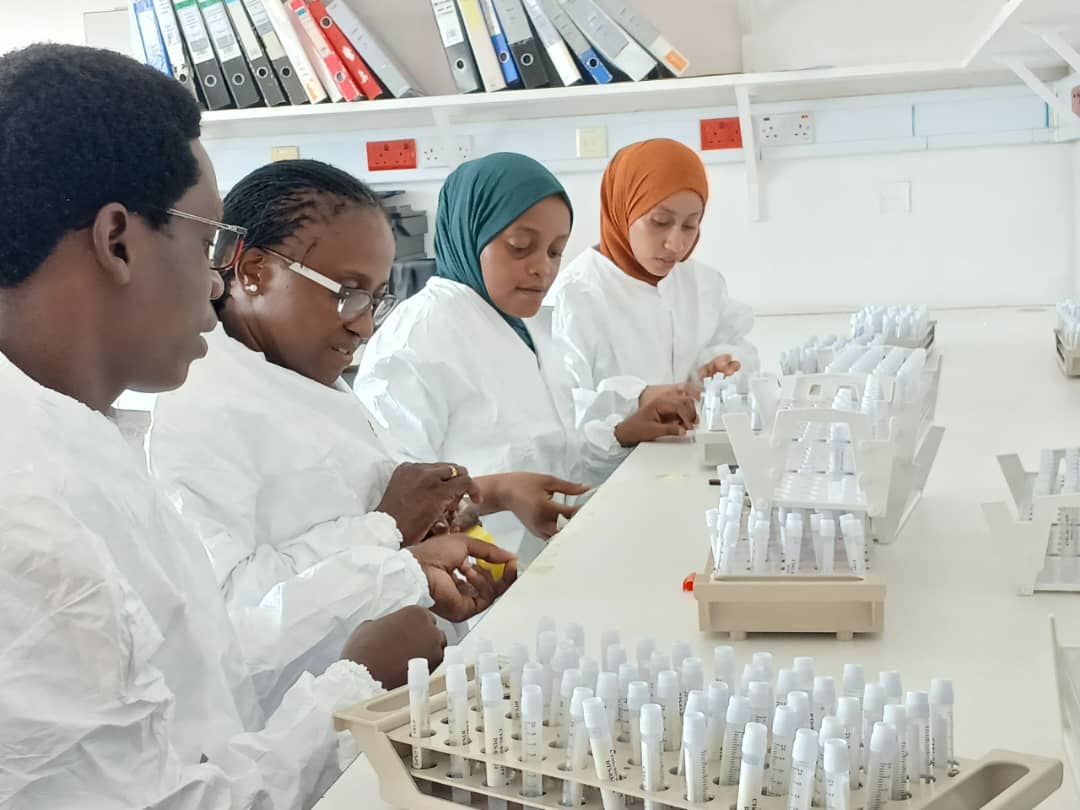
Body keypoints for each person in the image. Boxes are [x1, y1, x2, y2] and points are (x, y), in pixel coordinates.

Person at [0, 44, 513, 809]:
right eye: (206, 241)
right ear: (117, 242)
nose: (215, 279)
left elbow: (198, 690)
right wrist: (354, 683)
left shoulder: (77, 440)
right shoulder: (27, 517)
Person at [147, 159, 583, 712]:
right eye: (346, 291)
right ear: (254, 269)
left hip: (388, 688)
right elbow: (232, 618)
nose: (365, 323)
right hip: (297, 730)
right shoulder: (199, 405)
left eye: (376, 297)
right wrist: (389, 534)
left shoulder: (300, 373)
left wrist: (427, 544)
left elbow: (344, 523)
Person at [354, 152, 697, 564]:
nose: (542, 269)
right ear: (472, 231)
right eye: (520, 247)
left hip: (545, 561)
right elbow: (392, 504)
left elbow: (554, 452)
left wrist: (623, 432)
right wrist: (495, 492)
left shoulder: (529, 327)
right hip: (467, 589)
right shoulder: (417, 338)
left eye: (555, 252)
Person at [547, 138, 759, 418]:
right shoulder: (576, 295)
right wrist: (638, 399)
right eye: (660, 222)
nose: (676, 244)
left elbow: (737, 348)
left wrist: (717, 368)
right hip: (619, 462)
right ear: (623, 208)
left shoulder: (703, 283)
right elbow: (565, 410)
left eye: (690, 225)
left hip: (691, 453)